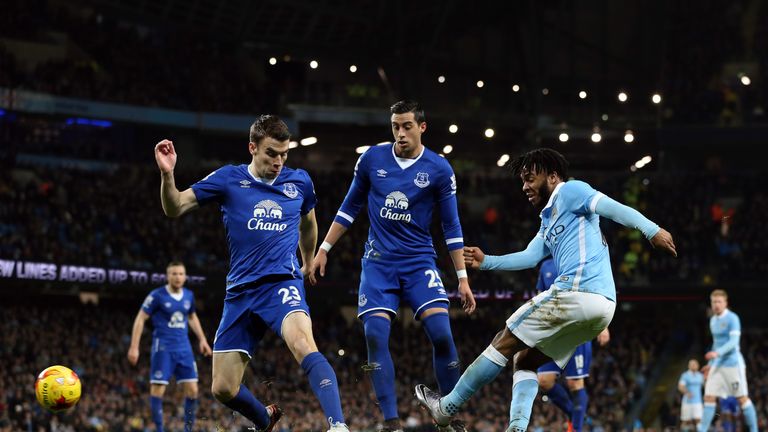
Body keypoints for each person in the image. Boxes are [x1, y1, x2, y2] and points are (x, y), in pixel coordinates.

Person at [413, 148, 677, 432]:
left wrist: (652, 230)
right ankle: (516, 428)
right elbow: (530, 256)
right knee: (525, 359)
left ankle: (446, 408)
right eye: (523, 181)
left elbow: (614, 208)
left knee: (504, 340)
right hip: (601, 311)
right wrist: (487, 261)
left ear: (552, 176)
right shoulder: (548, 218)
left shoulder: (571, 191)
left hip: (576, 293)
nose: (525, 186)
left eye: (530, 178)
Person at [154, 115, 348, 432]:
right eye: (272, 153)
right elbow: (174, 206)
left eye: (284, 154)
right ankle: (263, 419)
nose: (278, 162)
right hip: (240, 293)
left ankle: (338, 425)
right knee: (222, 388)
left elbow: (309, 223)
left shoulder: (299, 181)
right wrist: (167, 175)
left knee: (303, 343)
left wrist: (308, 259)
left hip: (281, 283)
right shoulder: (228, 179)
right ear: (252, 147)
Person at [310, 100, 476, 432]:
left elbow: (451, 226)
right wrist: (324, 248)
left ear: (422, 127)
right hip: (378, 264)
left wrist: (462, 278)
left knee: (442, 335)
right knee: (374, 334)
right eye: (395, 126)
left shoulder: (440, 169)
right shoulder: (372, 159)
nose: (400, 133)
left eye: (407, 126)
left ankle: (449, 415)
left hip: (419, 262)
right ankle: (391, 422)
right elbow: (349, 206)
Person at [127, 261, 212, 432]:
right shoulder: (157, 295)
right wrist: (134, 346)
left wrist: (202, 340)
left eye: (181, 274)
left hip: (185, 348)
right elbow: (140, 318)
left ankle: (188, 429)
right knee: (158, 390)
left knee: (193, 391)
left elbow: (192, 317)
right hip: (163, 348)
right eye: (174, 273)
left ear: (185, 276)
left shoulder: (189, 295)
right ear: (167, 276)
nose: (178, 277)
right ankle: (160, 429)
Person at [534, 258, 610, 432]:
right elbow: (540, 298)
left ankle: (576, 428)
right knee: (544, 382)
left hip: (577, 330)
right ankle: (575, 415)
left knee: (575, 384)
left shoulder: (583, 259)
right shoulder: (545, 265)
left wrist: (603, 325)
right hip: (552, 333)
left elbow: (598, 292)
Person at [698, 289, 758, 432]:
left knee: (742, 399)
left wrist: (716, 353)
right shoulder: (713, 320)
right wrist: (710, 364)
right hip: (718, 364)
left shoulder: (733, 318)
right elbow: (716, 344)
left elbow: (733, 342)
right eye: (714, 302)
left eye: (719, 301)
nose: (716, 305)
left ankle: (754, 429)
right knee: (709, 397)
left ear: (725, 303)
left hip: (733, 364)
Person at [678, 359, 704, 431]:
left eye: (695, 364)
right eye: (692, 364)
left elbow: (705, 386)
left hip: (698, 402)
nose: (693, 366)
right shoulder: (685, 375)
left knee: (699, 420)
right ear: (689, 366)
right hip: (687, 402)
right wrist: (687, 392)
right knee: (686, 421)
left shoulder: (700, 376)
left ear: (698, 366)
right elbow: (680, 386)